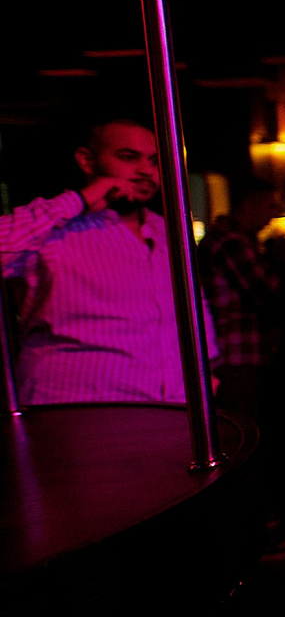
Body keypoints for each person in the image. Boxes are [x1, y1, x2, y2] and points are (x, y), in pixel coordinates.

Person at [2, 116, 212, 405]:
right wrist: (81, 199)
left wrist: (207, 374)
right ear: (87, 161)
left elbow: (193, 308)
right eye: (128, 157)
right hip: (74, 408)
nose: (146, 170)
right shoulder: (54, 228)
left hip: (169, 407)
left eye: (154, 161)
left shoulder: (166, 229)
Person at [200, 178, 284, 420]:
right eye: (270, 205)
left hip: (230, 355)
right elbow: (264, 294)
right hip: (237, 355)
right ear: (248, 205)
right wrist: (281, 262)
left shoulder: (227, 238)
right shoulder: (232, 242)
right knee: (240, 427)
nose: (275, 213)